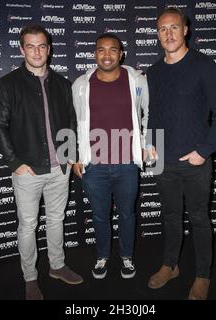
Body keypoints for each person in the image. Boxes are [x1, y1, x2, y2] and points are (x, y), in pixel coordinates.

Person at [146, 7, 216, 299]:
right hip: (162, 162)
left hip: (195, 163)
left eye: (174, 27)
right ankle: (170, 265)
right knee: (170, 216)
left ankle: (203, 275)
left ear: (185, 30)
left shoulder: (204, 66)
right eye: (162, 29)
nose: (168, 34)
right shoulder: (155, 72)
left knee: (198, 219)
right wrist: (150, 143)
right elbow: (153, 114)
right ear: (157, 35)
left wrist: (204, 151)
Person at [0, 24, 83, 300]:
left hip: (59, 169)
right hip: (27, 170)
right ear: (21, 49)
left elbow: (70, 121)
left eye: (41, 45)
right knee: (28, 225)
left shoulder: (62, 84)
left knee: (56, 219)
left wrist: (69, 156)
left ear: (49, 49)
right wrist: (15, 163)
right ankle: (30, 277)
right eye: (30, 46)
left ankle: (57, 266)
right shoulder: (8, 84)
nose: (36, 51)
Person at [72, 33, 148, 280]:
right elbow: (74, 123)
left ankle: (127, 257)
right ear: (95, 54)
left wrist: (147, 145)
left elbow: (148, 114)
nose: (107, 55)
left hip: (127, 164)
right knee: (99, 216)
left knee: (127, 214)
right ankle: (102, 255)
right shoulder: (81, 85)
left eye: (112, 50)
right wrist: (76, 156)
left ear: (121, 54)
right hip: (94, 166)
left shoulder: (136, 80)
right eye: (101, 50)